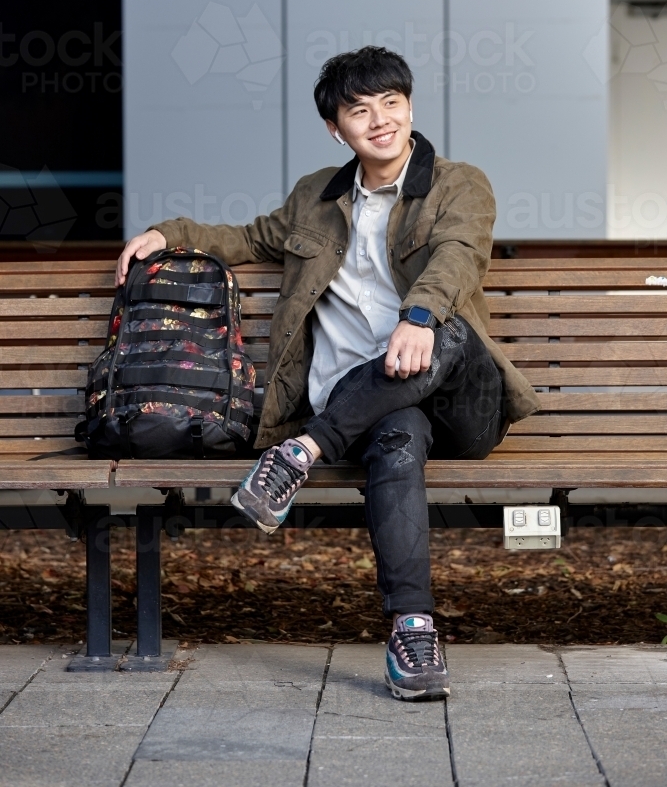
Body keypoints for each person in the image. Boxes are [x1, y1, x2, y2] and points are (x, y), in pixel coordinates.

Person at [116, 46, 540, 701]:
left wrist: (418, 317)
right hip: (368, 407)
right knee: (395, 435)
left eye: (391, 103)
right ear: (335, 128)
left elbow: (458, 256)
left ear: (410, 106)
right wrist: (168, 233)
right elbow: (248, 237)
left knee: (446, 330)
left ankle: (301, 451)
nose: (380, 120)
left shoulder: (458, 184)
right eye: (359, 110)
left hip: (459, 400)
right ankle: (412, 628)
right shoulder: (315, 197)